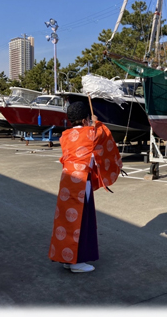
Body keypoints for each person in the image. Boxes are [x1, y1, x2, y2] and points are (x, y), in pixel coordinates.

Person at [48, 101, 123, 273]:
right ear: (84, 120)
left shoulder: (65, 135)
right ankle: (77, 261)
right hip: (81, 180)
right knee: (80, 218)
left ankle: (67, 258)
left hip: (67, 179)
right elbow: (104, 136)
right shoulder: (90, 133)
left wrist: (92, 123)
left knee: (66, 219)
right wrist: (96, 122)